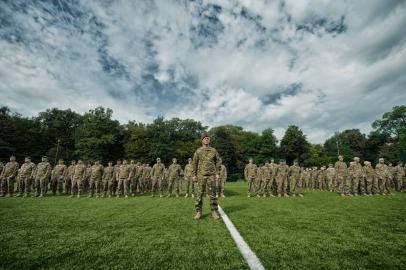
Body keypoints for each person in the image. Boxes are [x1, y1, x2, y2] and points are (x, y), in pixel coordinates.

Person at [192, 133, 221, 220]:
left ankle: (214, 211)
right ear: (202, 140)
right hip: (201, 175)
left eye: (208, 138)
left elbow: (218, 161)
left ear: (209, 140)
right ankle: (198, 212)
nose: (206, 140)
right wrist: (194, 175)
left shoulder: (213, 150)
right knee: (199, 194)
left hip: (211, 175)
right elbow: (195, 163)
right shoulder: (198, 151)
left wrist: (217, 173)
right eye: (205, 138)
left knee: (212, 194)